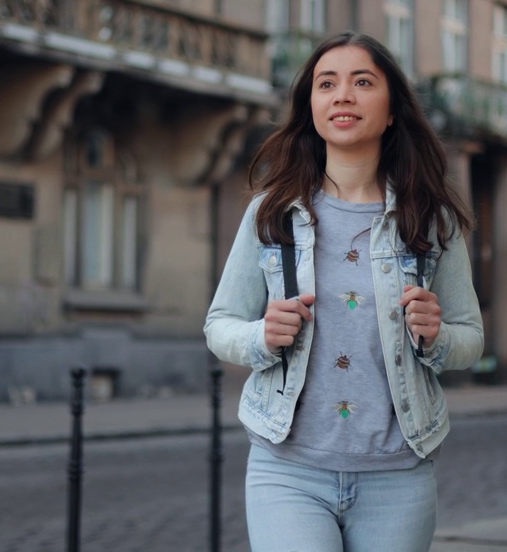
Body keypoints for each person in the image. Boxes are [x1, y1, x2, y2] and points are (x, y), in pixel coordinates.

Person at [204, 31, 485, 552]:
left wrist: (437, 334)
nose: (343, 96)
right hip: (287, 469)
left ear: (392, 109)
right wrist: (262, 337)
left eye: (362, 82)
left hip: (398, 475)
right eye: (326, 84)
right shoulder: (272, 214)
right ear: (311, 106)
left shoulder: (430, 220)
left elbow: (471, 338)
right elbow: (219, 324)